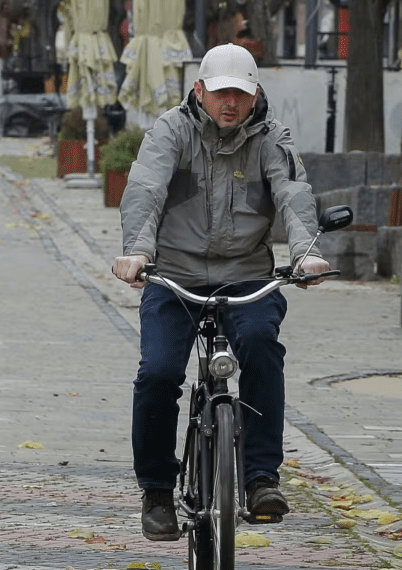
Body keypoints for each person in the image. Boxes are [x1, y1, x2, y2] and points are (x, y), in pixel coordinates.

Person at [110, 43, 332, 542]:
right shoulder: (170, 131)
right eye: (220, 92)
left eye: (240, 93)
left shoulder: (273, 138)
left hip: (247, 276)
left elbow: (295, 196)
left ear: (255, 95)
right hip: (175, 276)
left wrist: (304, 254)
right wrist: (137, 253)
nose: (230, 103)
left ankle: (259, 479)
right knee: (159, 372)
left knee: (261, 350)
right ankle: (158, 491)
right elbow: (145, 191)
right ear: (199, 91)